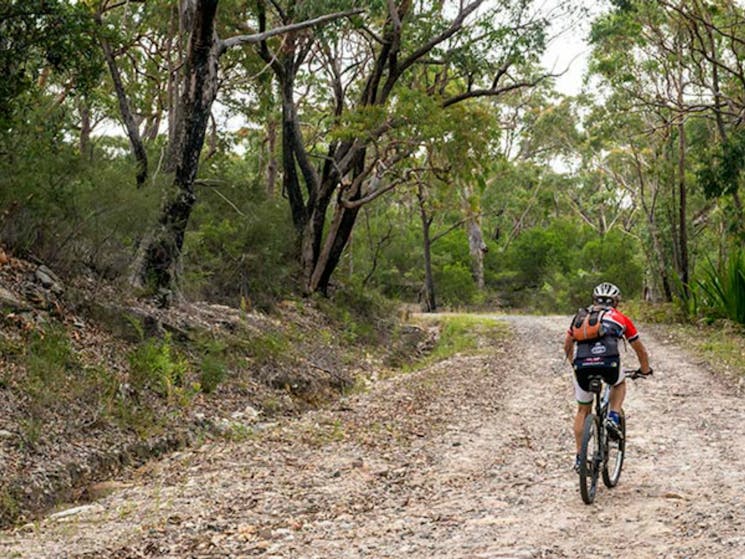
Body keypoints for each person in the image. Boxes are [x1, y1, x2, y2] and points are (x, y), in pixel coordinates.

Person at [563, 282, 653, 472]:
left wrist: (575, 365)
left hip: (582, 367)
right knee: (619, 383)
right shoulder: (621, 318)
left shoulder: (580, 317)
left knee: (582, 411)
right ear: (616, 302)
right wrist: (644, 369)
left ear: (594, 300)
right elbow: (639, 348)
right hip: (609, 365)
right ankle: (613, 416)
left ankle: (580, 458)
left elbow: (568, 345)